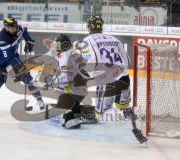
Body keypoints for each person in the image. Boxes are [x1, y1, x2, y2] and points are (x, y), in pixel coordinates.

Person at [79, 15, 147, 144]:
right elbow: (127, 61)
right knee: (123, 106)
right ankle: (135, 128)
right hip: (124, 77)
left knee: (100, 114)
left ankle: (102, 143)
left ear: (89, 27)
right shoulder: (114, 39)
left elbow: (93, 60)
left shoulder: (87, 40)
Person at [0, 17, 45, 113]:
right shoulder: (2, 39)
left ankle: (40, 100)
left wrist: (29, 41)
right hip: (1, 62)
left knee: (28, 79)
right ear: (6, 27)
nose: (14, 29)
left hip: (13, 58)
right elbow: (9, 58)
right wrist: (20, 69)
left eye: (15, 26)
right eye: (12, 27)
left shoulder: (17, 28)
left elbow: (24, 30)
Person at [44, 34, 90, 129]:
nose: (56, 46)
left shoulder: (64, 56)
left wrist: (51, 82)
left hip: (72, 90)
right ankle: (76, 111)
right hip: (81, 90)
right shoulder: (74, 53)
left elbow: (64, 77)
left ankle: (70, 115)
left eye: (57, 44)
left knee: (62, 95)